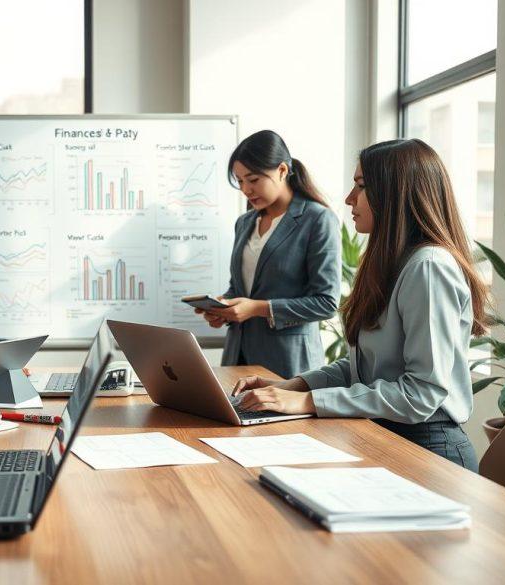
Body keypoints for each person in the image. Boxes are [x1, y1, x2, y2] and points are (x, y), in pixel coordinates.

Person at [232, 138, 487, 471]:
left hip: (430, 449)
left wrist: (307, 401)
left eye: (361, 186)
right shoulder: (391, 262)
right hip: (386, 434)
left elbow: (421, 393)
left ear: (395, 194)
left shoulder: (428, 267)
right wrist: (292, 386)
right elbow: (362, 367)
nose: (349, 199)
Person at [198, 130, 340, 379]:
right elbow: (240, 290)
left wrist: (258, 309)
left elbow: (326, 303)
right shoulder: (244, 223)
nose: (246, 189)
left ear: (282, 171)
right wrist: (224, 308)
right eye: (240, 181)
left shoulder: (317, 220)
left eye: (253, 180)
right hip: (237, 358)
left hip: (287, 363)